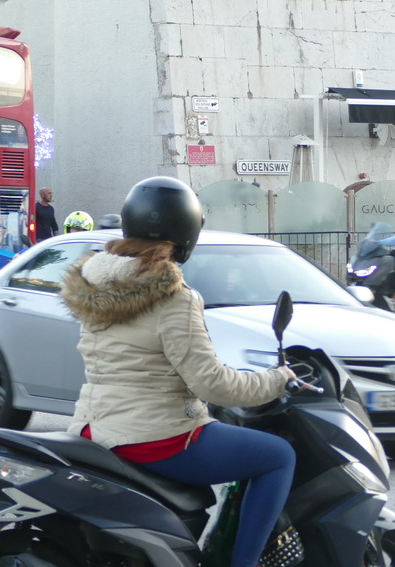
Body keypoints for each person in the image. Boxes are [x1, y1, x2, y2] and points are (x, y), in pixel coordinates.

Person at [61, 176, 296, 567]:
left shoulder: (97, 284)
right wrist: (276, 379)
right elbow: (211, 383)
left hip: (93, 428)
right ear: (187, 231)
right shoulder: (173, 298)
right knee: (278, 456)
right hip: (155, 436)